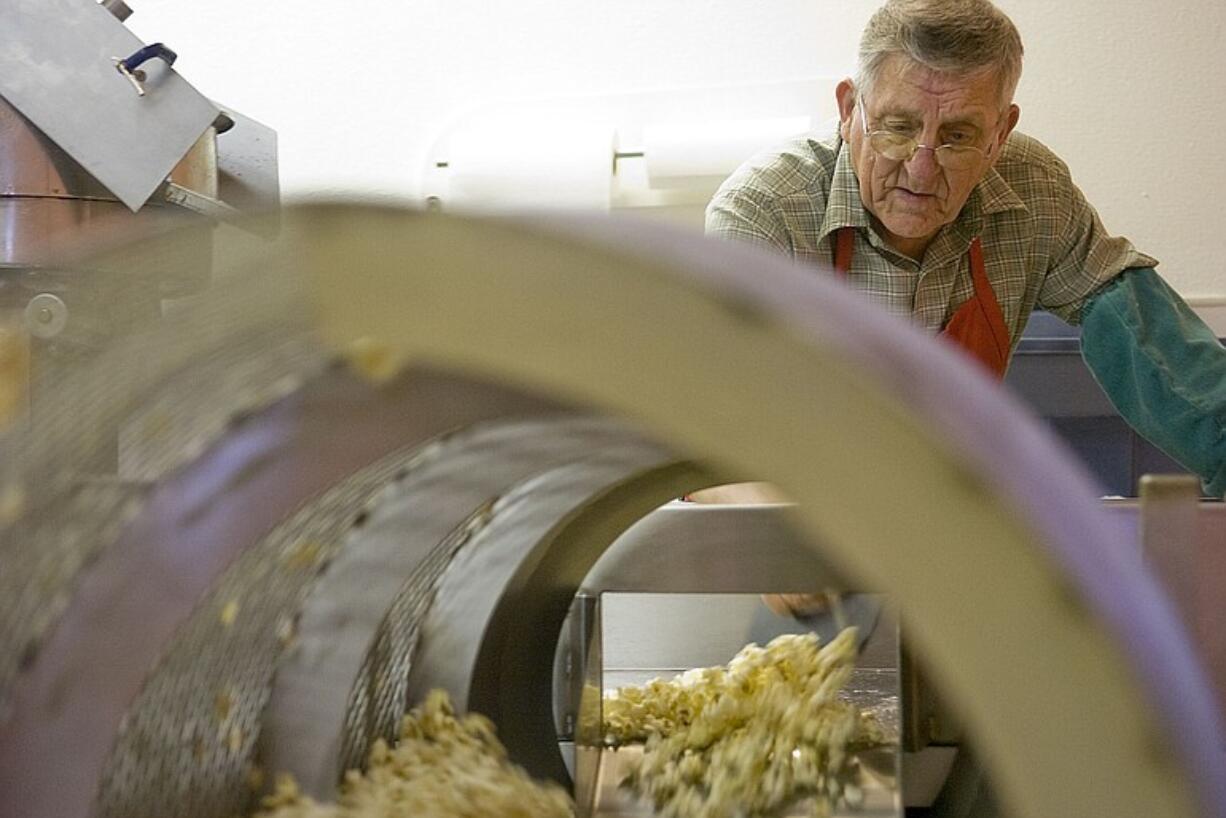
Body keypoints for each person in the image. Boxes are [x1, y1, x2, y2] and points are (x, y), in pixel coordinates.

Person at [706, 0, 1226, 500]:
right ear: (848, 110)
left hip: (953, 522)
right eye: (899, 126)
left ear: (1001, 133)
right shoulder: (767, 211)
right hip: (800, 526)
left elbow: (1154, 346)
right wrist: (777, 536)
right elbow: (704, 427)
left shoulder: (1033, 191)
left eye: (957, 135)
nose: (922, 167)